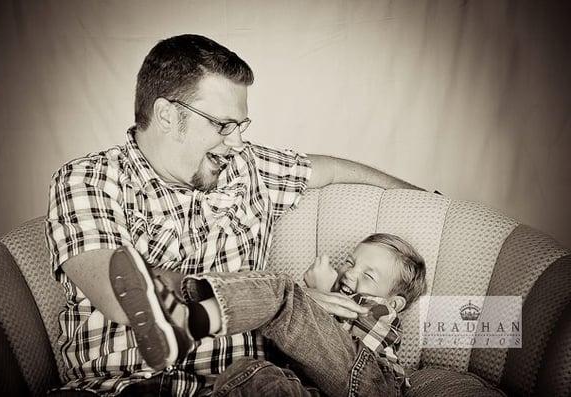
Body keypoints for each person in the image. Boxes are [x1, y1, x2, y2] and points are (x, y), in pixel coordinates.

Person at [46, 34, 416, 396]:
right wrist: (278, 305)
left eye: (242, 126)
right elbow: (118, 293)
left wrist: (419, 195)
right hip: (116, 386)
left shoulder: (246, 166)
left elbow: (330, 170)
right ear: (166, 115)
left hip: (236, 385)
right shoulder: (89, 179)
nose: (237, 141)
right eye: (223, 125)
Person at [109, 233, 427, 396]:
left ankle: (186, 319)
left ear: (396, 302)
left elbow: (337, 343)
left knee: (282, 291)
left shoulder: (381, 310)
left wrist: (318, 294)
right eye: (350, 262)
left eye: (368, 275)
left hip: (372, 385)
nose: (349, 274)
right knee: (248, 375)